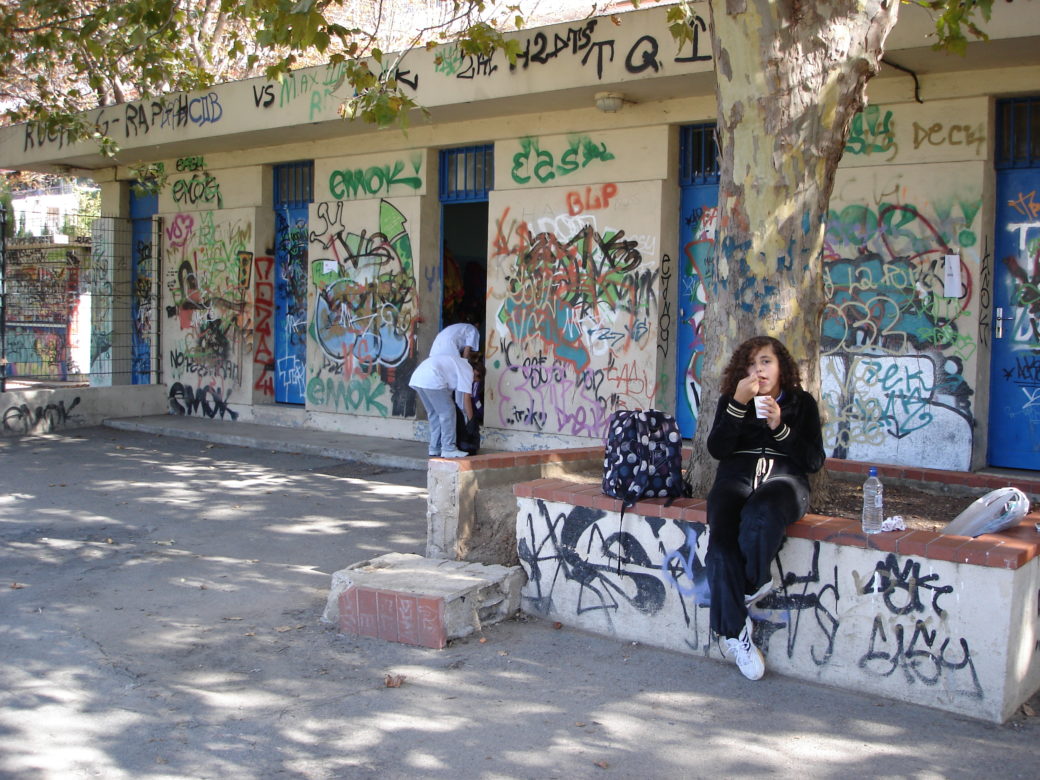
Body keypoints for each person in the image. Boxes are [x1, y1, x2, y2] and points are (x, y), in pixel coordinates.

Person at [705, 335, 825, 680]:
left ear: (781, 367)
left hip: (784, 480)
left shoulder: (801, 403)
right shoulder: (734, 400)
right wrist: (737, 406)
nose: (759, 370)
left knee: (762, 512)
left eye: (766, 362)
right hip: (736, 478)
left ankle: (748, 586)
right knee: (720, 549)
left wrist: (780, 427)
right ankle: (736, 634)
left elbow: (814, 460)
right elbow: (717, 448)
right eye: (752, 364)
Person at [409, 323, 479, 458]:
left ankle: (434, 447)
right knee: (448, 412)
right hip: (432, 377)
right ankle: (448, 448)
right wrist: (472, 422)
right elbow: (465, 400)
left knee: (434, 413)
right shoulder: (466, 369)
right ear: (474, 371)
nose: (475, 381)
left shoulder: (454, 363)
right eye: (477, 378)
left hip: (419, 376)